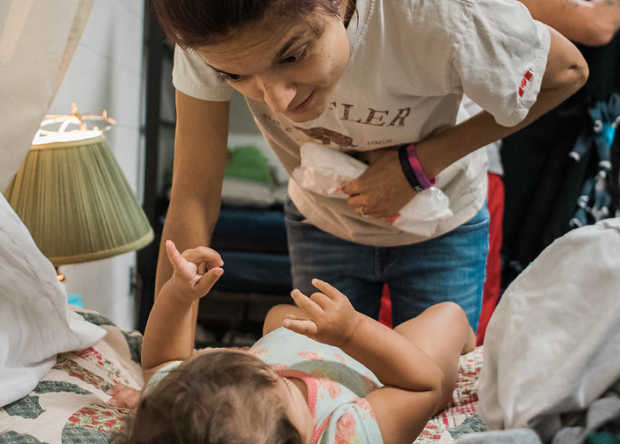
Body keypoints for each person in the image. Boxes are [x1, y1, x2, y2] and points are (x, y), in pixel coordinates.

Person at [150, 0, 588, 331]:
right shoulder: (210, 36)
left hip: (443, 222)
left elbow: (568, 70)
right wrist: (165, 365)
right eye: (237, 77)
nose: (277, 101)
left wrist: (418, 165)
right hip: (320, 220)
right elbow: (192, 195)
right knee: (325, 377)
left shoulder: (440, 13)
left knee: (432, 386)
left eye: (292, 55)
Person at [105, 240, 475, 444]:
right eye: (277, 383)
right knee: (447, 317)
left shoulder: (187, 415)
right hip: (388, 368)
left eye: (250, 361)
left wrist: (179, 295)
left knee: (278, 317)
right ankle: (469, 346)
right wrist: (355, 332)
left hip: (308, 345)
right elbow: (421, 386)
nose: (265, 365)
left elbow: (161, 362)